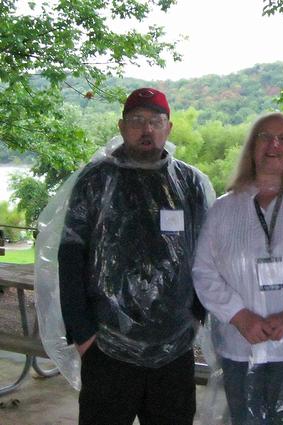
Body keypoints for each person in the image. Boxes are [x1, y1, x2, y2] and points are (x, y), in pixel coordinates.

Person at [57, 88, 214, 425]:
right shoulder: (95, 181)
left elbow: (208, 254)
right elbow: (70, 256)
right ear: (121, 126)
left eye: (155, 121)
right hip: (107, 348)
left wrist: (197, 315)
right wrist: (84, 335)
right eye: (137, 121)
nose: (147, 130)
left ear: (168, 128)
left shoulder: (189, 183)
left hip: (173, 349)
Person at [192, 112, 283, 424]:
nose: (273, 144)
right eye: (264, 137)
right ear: (251, 147)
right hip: (239, 345)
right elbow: (203, 271)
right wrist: (239, 315)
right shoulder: (223, 208)